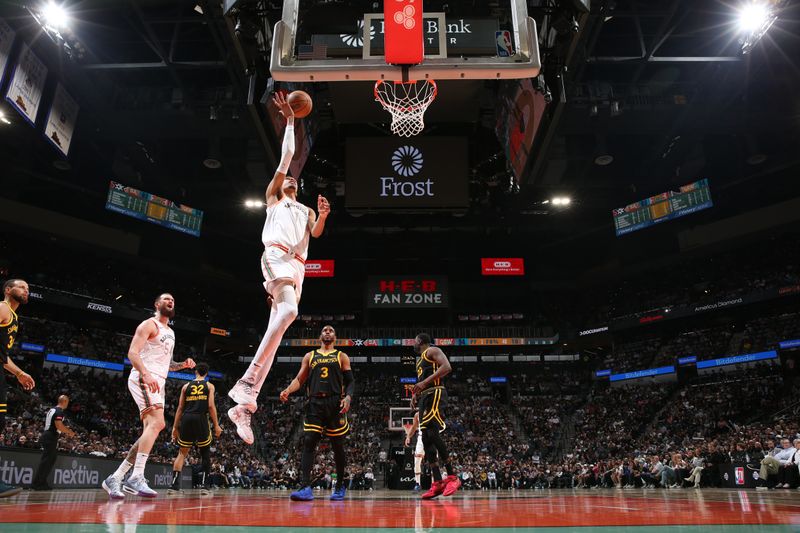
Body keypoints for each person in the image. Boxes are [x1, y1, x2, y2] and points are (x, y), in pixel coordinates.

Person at [228, 92, 331, 445]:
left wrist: (325, 217)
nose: (293, 181)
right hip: (275, 255)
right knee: (288, 310)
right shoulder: (275, 197)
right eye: (290, 179)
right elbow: (287, 156)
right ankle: (243, 384)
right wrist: (290, 121)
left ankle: (245, 404)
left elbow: (315, 234)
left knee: (276, 336)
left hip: (299, 266)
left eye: (296, 182)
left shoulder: (305, 211)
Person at [102, 293, 195, 499]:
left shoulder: (170, 332)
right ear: (157, 304)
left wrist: (183, 365)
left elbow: (168, 365)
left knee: (149, 432)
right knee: (158, 424)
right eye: (166, 299)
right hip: (144, 377)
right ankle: (136, 476)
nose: (171, 301)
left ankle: (116, 477)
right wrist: (145, 374)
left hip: (158, 381)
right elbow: (133, 353)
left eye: (173, 300)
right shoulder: (149, 324)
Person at [279, 325, 353, 501]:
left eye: (331, 330)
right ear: (320, 336)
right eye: (325, 330)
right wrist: (288, 390)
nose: (327, 332)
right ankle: (305, 487)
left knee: (337, 446)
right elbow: (299, 379)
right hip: (315, 402)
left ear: (335, 337)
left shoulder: (341, 356)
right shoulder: (310, 356)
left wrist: (348, 397)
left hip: (335, 403)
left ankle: (340, 485)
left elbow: (350, 382)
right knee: (309, 441)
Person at [410, 333, 460, 499]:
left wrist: (424, 383)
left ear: (421, 341)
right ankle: (438, 482)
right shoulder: (419, 360)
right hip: (425, 397)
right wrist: (415, 396)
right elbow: (421, 381)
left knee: (432, 433)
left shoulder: (432, 350)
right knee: (425, 439)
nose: (413, 343)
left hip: (436, 392)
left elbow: (446, 367)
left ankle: (452, 477)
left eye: (415, 340)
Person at [0, 279, 36, 498]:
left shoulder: (13, 317)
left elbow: (2, 356)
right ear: (7, 290)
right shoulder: (2, 308)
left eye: (28, 289)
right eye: (22, 287)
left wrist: (19, 373)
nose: (26, 290)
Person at [168, 362, 222, 495]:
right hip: (200, 418)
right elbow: (210, 406)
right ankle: (204, 487)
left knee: (182, 453)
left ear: (195, 372)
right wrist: (216, 425)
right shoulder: (209, 386)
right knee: (205, 453)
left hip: (186, 418)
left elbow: (180, 408)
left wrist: (175, 427)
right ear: (207, 373)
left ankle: (174, 486)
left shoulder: (186, 386)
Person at [31, 394, 77, 490]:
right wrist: (70, 432)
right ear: (64, 401)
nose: (68, 404)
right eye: (67, 402)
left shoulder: (52, 409)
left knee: (49, 460)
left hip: (48, 435)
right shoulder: (59, 411)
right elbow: (59, 426)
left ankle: (42, 482)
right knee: (47, 461)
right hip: (50, 436)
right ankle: (37, 484)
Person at [404, 411, 425, 491]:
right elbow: (414, 427)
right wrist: (408, 436)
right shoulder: (417, 414)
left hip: (432, 436)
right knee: (416, 461)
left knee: (433, 461)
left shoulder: (434, 411)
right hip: (421, 437)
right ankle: (417, 484)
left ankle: (434, 484)